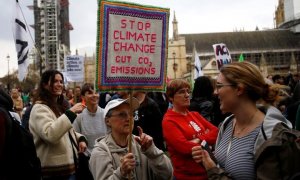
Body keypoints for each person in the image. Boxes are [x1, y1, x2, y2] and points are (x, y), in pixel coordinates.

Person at [191, 61, 292, 179]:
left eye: (219, 86)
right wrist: (208, 160)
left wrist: (213, 171)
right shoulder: (227, 124)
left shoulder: (274, 135)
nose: (215, 92)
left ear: (239, 89)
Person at [89, 98, 173, 180]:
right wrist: (121, 173)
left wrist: (152, 152)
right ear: (107, 121)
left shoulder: (142, 144)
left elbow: (168, 174)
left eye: (131, 114)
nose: (129, 118)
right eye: (122, 114)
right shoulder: (101, 151)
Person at [29, 69, 88, 180]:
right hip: (54, 174)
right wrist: (71, 112)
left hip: (69, 171)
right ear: (45, 85)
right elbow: (51, 134)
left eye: (61, 81)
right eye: (55, 81)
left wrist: (80, 139)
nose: (59, 84)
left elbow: (65, 132)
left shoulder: (56, 106)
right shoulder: (39, 108)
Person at [162, 79, 218, 180]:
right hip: (186, 176)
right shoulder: (169, 120)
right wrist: (207, 140)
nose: (187, 95)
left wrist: (198, 139)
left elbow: (216, 132)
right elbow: (184, 148)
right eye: (182, 92)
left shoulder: (195, 115)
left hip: (207, 173)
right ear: (171, 97)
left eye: (188, 91)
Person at [73, 83, 107, 156]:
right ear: (83, 97)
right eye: (90, 93)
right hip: (86, 158)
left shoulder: (106, 114)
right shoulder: (79, 116)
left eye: (96, 92)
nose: (94, 95)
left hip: (105, 156)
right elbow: (75, 135)